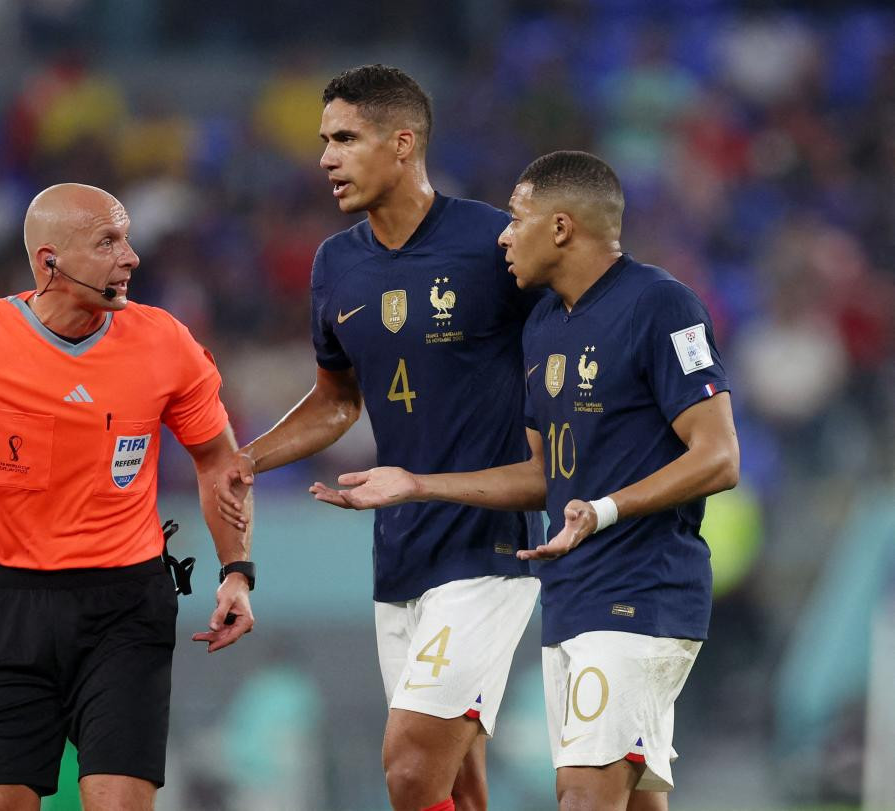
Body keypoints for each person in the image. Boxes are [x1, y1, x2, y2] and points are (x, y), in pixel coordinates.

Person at [311, 150, 740, 811]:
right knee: (627, 798)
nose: (503, 235)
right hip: (569, 595)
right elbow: (542, 474)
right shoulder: (540, 327)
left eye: (516, 218)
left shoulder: (661, 304)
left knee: (581, 797)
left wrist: (603, 509)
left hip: (640, 589)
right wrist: (419, 484)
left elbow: (719, 456)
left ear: (562, 227)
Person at [0, 183, 256, 811]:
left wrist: (237, 571)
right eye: (108, 242)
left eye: (127, 238)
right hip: (12, 609)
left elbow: (219, 461)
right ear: (48, 262)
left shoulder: (165, 341)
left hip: (128, 608)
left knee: (117, 802)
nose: (131, 257)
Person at [216, 64, 543, 811]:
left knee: (406, 770)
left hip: (487, 549)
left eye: (344, 138)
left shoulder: (495, 243)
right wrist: (249, 457)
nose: (326, 157)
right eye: (323, 140)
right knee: (457, 783)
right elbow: (337, 400)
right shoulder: (337, 264)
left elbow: (569, 342)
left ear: (402, 144)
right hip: (398, 551)